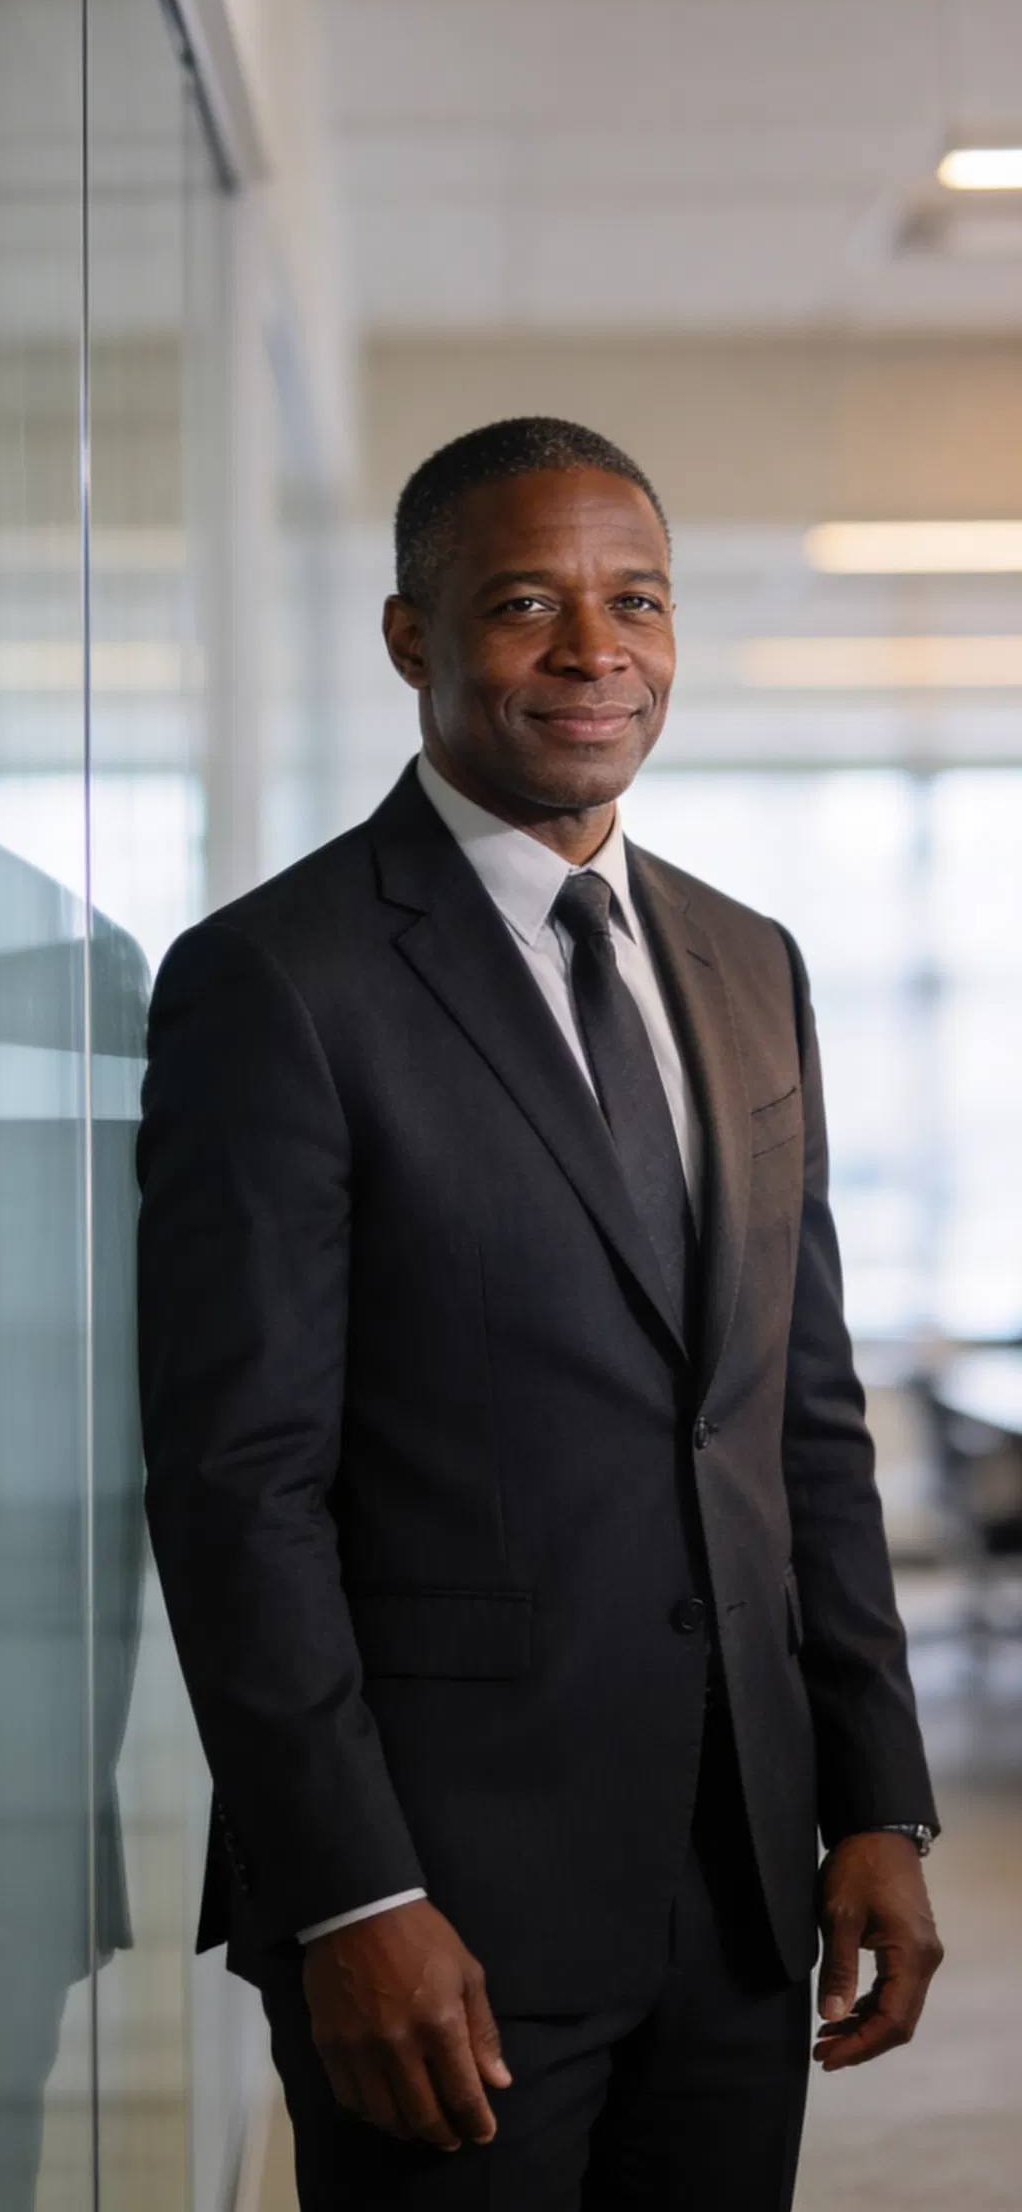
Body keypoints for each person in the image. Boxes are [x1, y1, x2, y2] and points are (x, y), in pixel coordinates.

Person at [137, 418, 943, 2210]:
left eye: (635, 601)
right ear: (414, 636)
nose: (597, 651)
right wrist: (352, 1896)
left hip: (737, 1883)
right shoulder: (278, 981)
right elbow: (235, 1489)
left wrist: (875, 1796)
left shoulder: (750, 961)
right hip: (444, 1904)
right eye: (526, 604)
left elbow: (799, 1420)